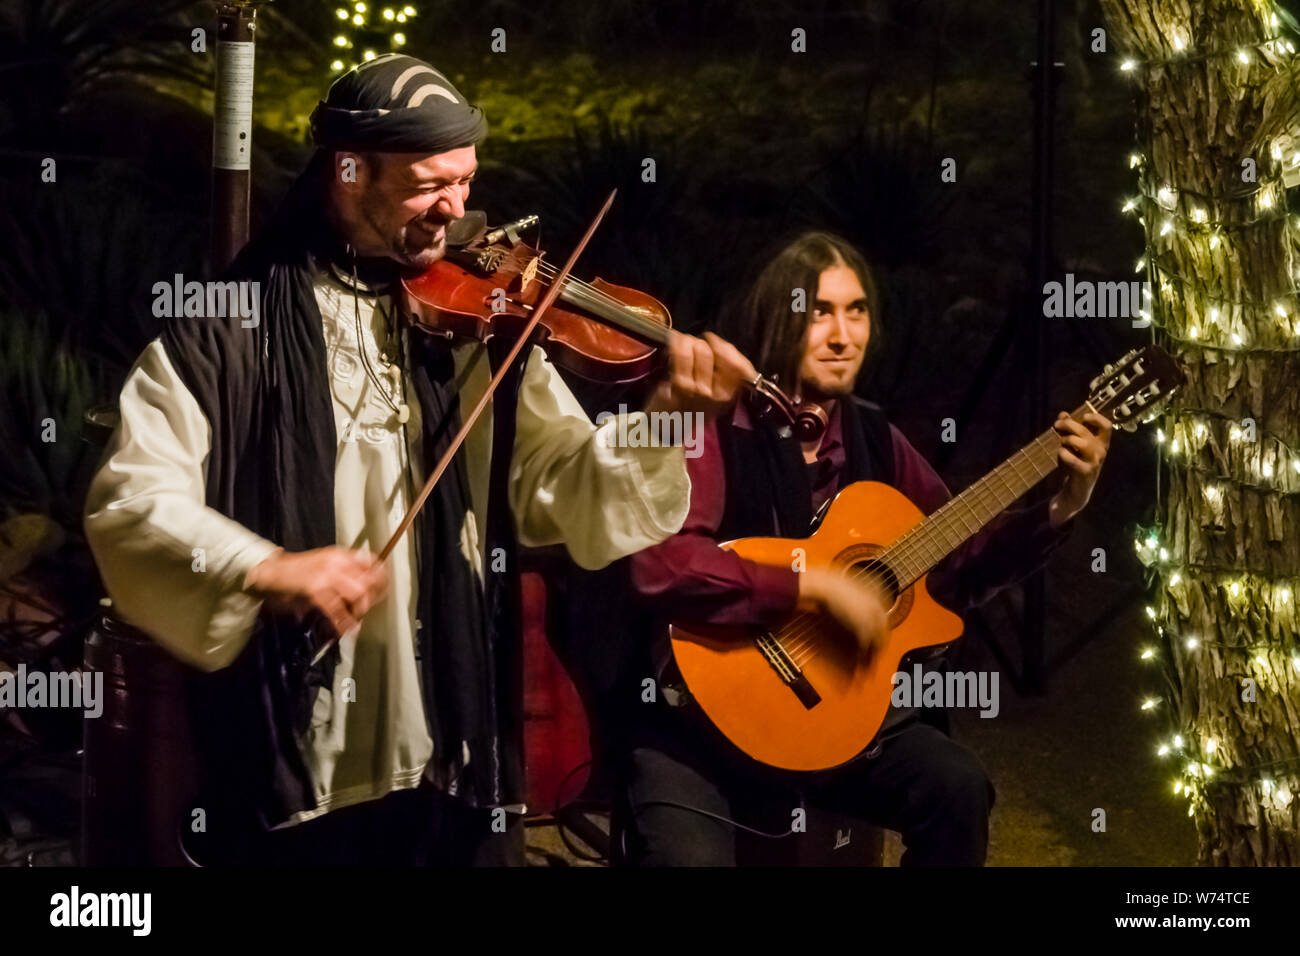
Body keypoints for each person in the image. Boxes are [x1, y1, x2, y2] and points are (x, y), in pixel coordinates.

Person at [82, 54, 757, 866]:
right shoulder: (226, 333)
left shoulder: (476, 328)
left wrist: (669, 417)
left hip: (451, 753)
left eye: (466, 182)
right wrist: (266, 568)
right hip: (302, 770)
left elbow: (574, 491)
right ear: (348, 171)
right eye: (428, 184)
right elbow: (131, 505)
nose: (458, 210)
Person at [602, 231, 1111, 866]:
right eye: (819, 312)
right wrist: (810, 586)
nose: (844, 335)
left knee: (957, 788)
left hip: (830, 725)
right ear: (775, 317)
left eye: (857, 310)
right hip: (699, 728)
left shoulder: (875, 438)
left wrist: (1064, 504)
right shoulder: (711, 424)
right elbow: (659, 566)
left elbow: (957, 561)